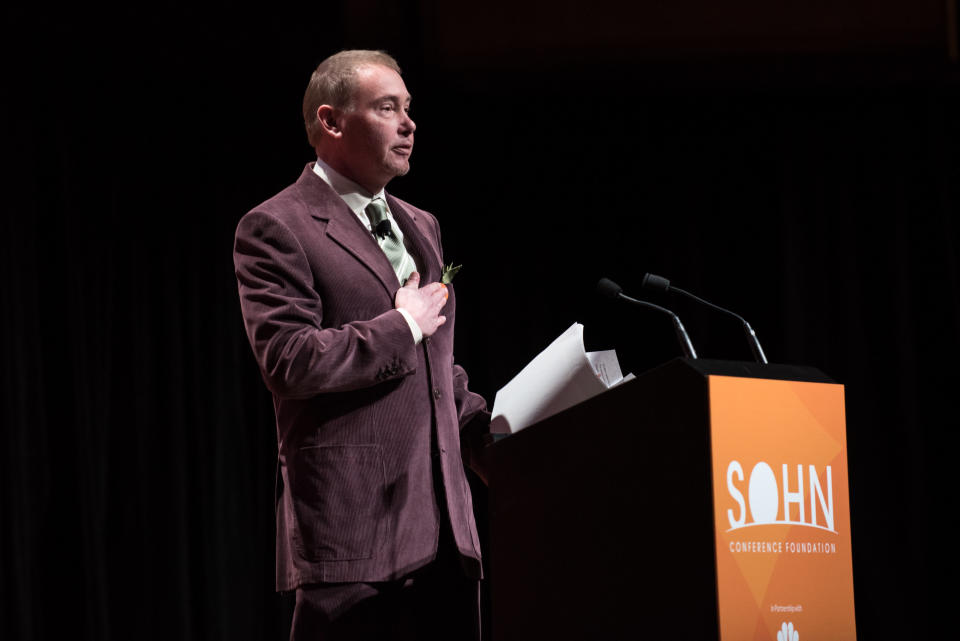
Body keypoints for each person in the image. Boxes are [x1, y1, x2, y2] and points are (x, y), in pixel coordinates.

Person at [233, 50, 489, 640]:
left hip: (447, 533)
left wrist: (492, 435)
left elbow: (436, 367)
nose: (409, 123)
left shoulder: (420, 224)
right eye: (387, 107)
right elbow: (288, 360)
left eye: (409, 108)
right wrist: (399, 328)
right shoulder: (278, 226)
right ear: (331, 121)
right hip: (354, 535)